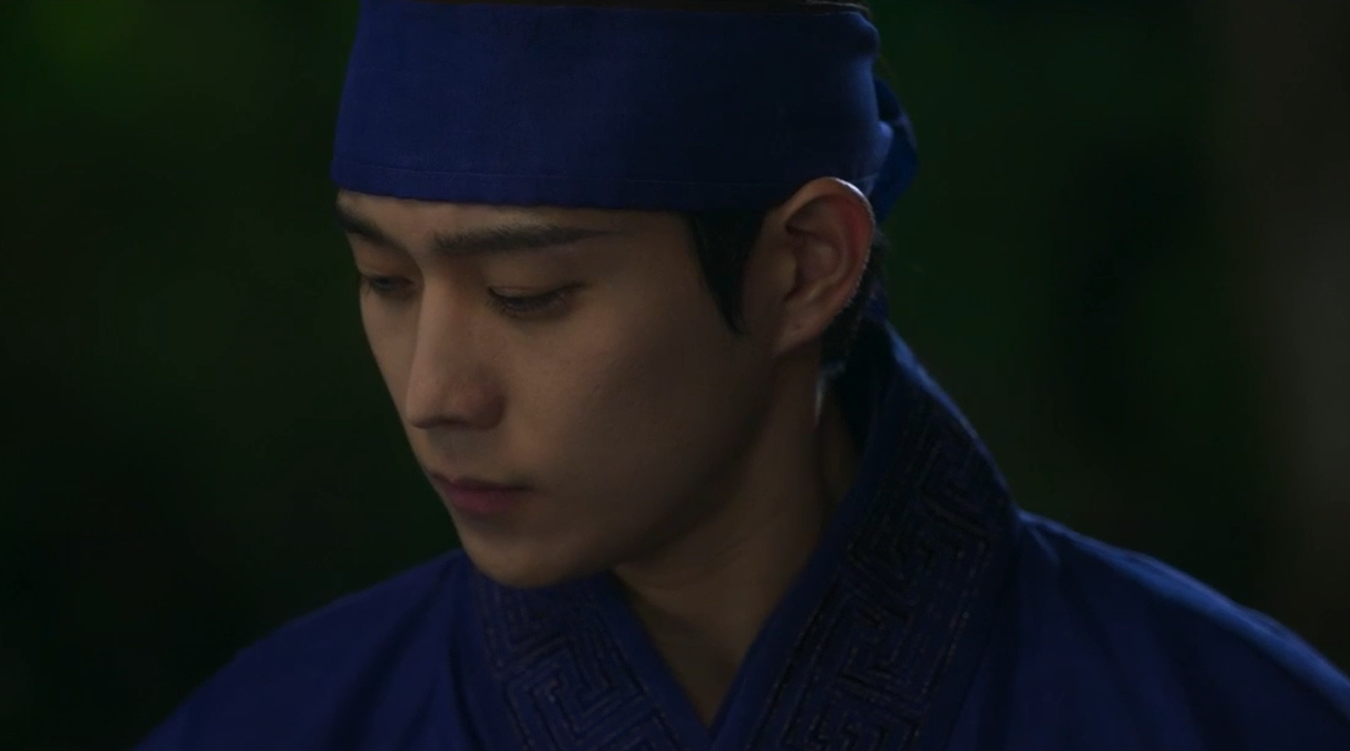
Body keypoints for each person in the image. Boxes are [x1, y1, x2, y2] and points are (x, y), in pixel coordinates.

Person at [133, 0, 1350, 748]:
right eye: (385, 281)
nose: (434, 393)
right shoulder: (273, 725)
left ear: (804, 265)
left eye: (527, 294)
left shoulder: (1231, 718)